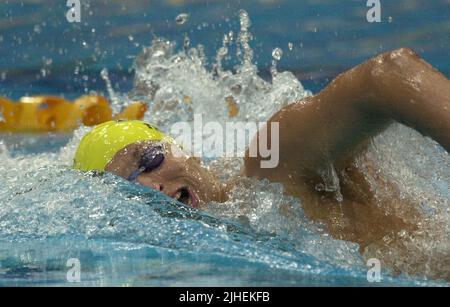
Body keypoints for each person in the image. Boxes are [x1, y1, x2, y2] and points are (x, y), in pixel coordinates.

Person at [74, 48, 450, 270]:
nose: (151, 188)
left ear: (181, 147)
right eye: (128, 191)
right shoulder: (227, 236)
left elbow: (387, 75)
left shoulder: (268, 167)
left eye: (152, 159)